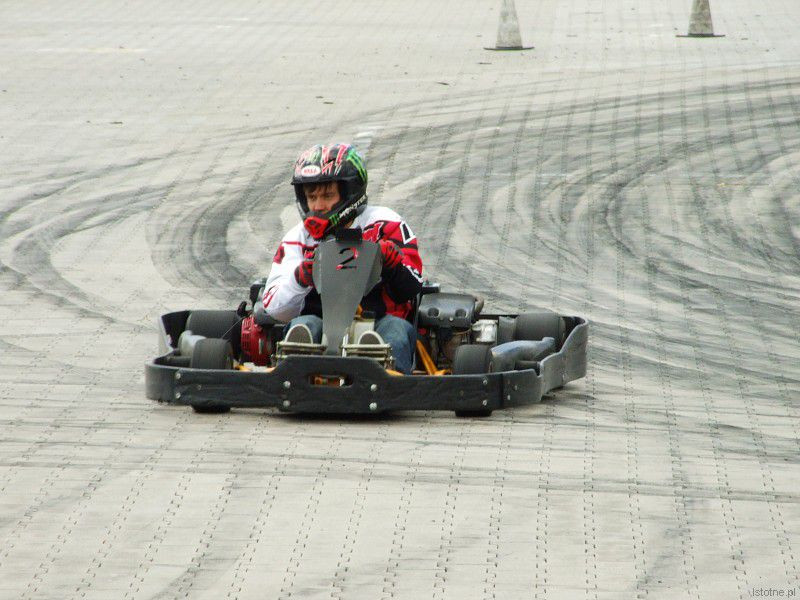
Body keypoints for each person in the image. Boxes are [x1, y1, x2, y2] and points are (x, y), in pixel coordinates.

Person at [261, 143, 423, 373]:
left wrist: (392, 262)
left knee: (395, 332)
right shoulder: (297, 238)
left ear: (350, 193)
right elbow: (275, 309)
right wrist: (301, 277)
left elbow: (413, 286)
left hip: (379, 320)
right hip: (319, 321)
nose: (318, 206)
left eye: (327, 196)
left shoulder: (386, 224)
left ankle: (381, 368)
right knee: (303, 326)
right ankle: (296, 370)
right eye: (312, 197)